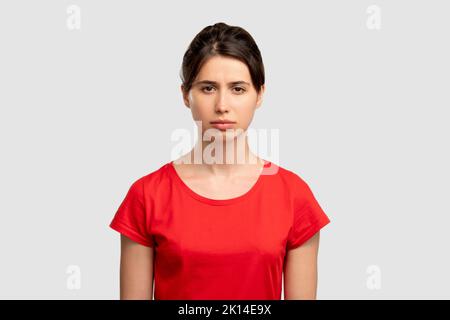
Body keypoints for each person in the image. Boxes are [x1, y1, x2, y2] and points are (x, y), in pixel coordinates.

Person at [109, 22, 331, 300]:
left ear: (259, 94)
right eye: (208, 88)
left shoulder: (294, 196)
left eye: (238, 89)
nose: (222, 105)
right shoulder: (146, 196)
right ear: (185, 95)